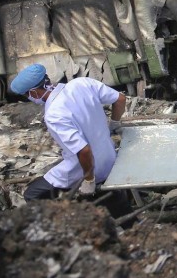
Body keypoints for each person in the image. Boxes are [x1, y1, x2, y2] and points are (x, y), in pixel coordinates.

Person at [11, 63, 130, 217]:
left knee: (33, 194)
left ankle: (64, 225)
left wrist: (89, 179)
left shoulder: (53, 114)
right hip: (110, 157)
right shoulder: (82, 83)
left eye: (27, 95)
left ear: (33, 92)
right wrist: (114, 123)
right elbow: (120, 99)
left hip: (90, 168)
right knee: (113, 204)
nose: (29, 98)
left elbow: (84, 150)